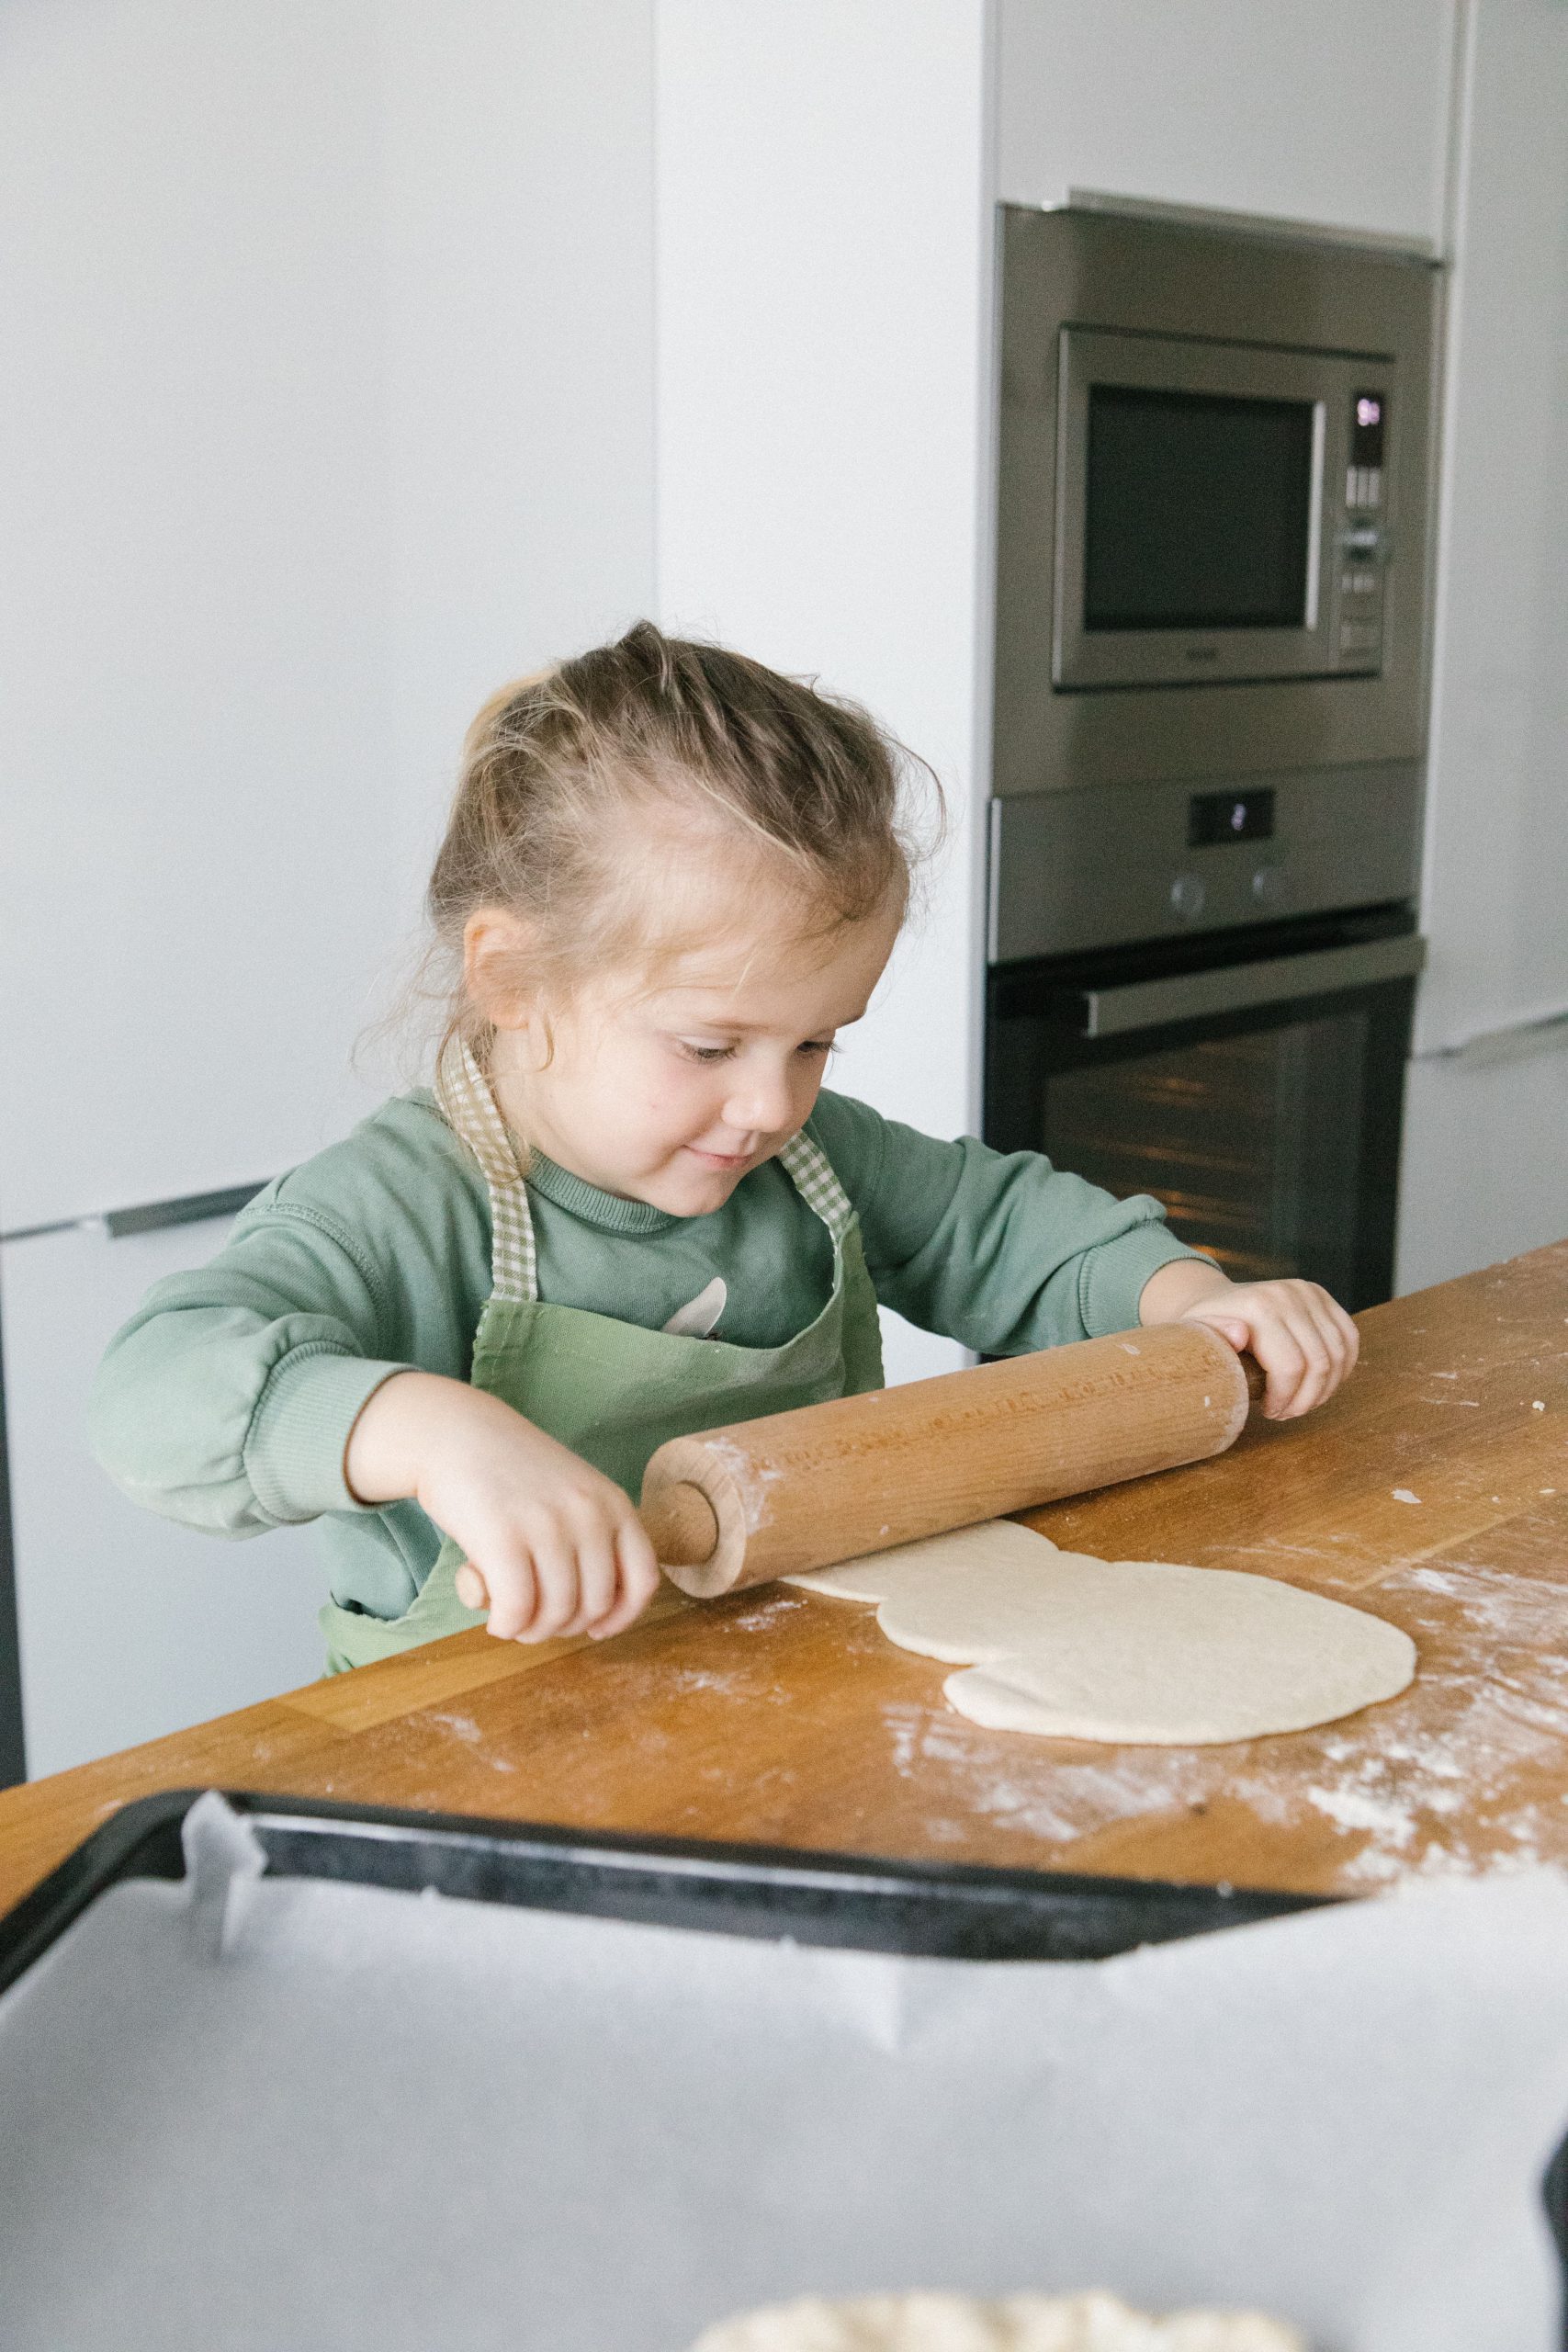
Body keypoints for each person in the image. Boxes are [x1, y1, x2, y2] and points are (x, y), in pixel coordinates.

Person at [89, 624, 1359, 1671]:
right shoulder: (405, 1207)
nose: (771, 1104)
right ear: (515, 979)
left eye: (818, 1046)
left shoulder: (811, 1166)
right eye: (711, 1047)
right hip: (482, 1743)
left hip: (798, 1680)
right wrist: (432, 1432)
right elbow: (150, 1396)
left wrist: (1193, 1298)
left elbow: (1003, 1230)